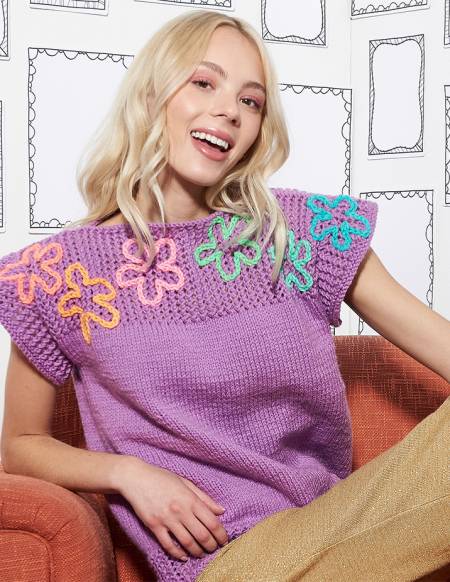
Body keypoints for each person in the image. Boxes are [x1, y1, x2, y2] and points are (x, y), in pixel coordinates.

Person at [0, 9, 448, 582]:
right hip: (226, 562)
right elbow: (21, 444)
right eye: (204, 82)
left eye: (251, 101)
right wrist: (126, 473)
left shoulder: (302, 233)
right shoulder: (60, 275)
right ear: (152, 93)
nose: (230, 111)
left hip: (340, 532)